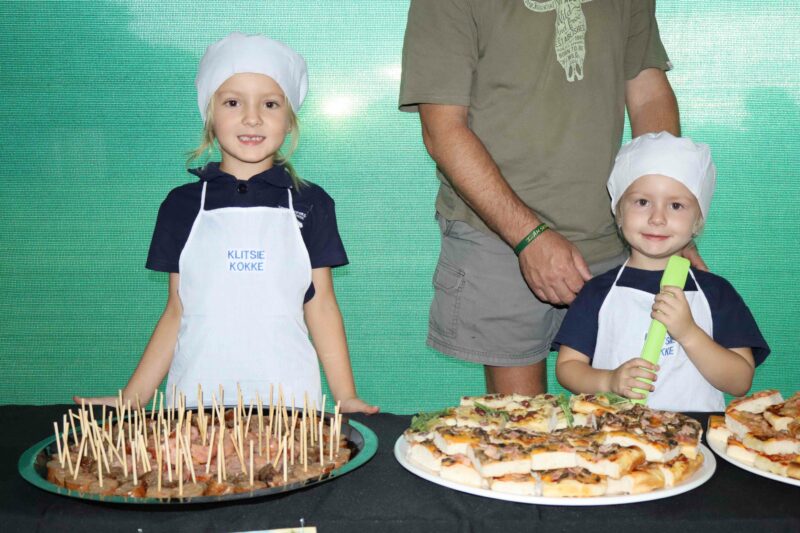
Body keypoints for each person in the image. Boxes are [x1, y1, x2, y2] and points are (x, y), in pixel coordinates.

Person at [400, 0, 697, 395]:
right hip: (497, 237)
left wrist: (669, 223)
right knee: (520, 430)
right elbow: (442, 130)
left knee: (626, 426)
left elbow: (648, 96)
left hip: (617, 235)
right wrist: (529, 236)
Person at [75, 32, 378, 414]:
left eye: (270, 103)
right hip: (195, 410)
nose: (252, 117)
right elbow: (176, 310)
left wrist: (345, 395)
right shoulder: (181, 206)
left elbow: (321, 306)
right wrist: (134, 397)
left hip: (290, 407)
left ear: (289, 120)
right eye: (233, 102)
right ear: (210, 116)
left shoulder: (311, 203)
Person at [554, 132, 769, 411]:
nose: (657, 218)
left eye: (676, 205)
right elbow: (568, 367)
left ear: (697, 222)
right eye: (642, 202)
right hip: (615, 441)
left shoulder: (717, 293)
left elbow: (740, 381)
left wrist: (689, 332)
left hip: (694, 444)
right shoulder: (596, 293)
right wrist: (608, 381)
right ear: (618, 212)